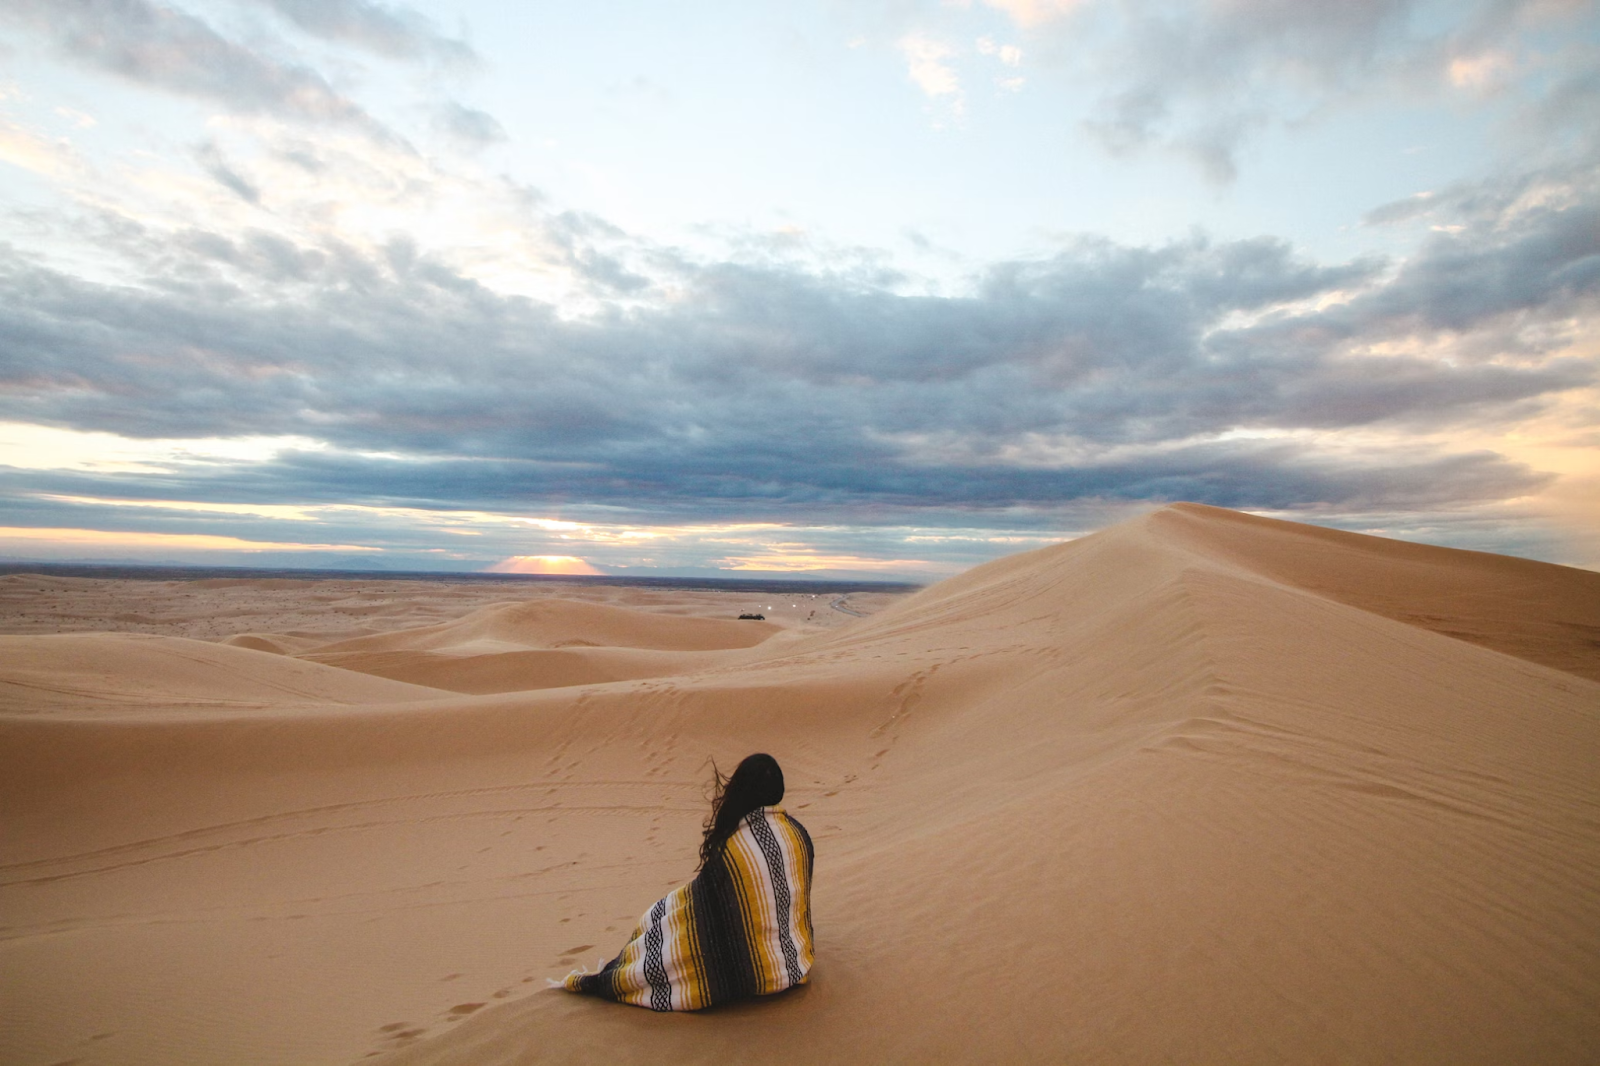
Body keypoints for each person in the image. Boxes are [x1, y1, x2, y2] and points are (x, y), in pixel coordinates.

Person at [561, 753, 815, 1011]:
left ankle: (617, 976)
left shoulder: (734, 849)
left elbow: (706, 920)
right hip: (794, 966)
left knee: (661, 923)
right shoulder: (798, 835)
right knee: (672, 908)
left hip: (761, 980)